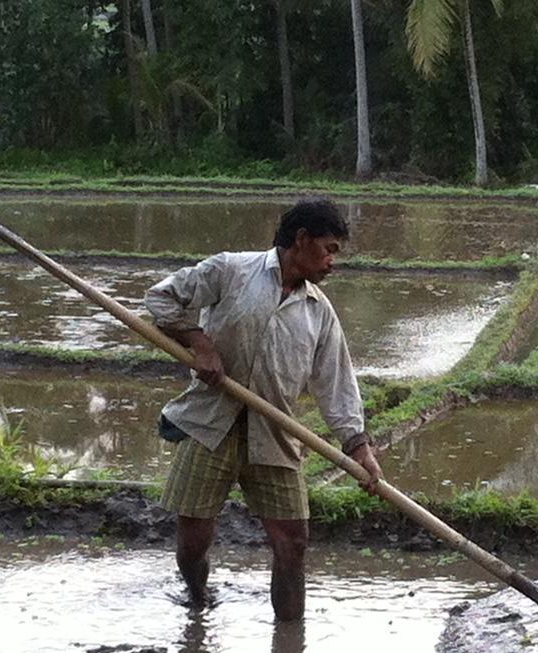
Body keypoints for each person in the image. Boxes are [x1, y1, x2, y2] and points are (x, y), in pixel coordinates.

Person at [145, 197, 383, 620]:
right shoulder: (231, 271)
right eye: (328, 249)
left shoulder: (318, 312)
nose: (332, 262)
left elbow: (336, 383)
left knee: (293, 542)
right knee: (193, 543)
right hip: (209, 424)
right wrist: (199, 344)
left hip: (274, 433)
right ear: (301, 239)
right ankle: (197, 604)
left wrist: (358, 445)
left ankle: (289, 641)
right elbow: (162, 298)